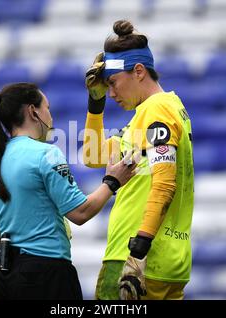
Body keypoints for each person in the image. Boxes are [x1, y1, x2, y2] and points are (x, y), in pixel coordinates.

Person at [0, 82, 137, 300]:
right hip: (46, 275)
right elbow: (80, 213)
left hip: (5, 277)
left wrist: (20, 245)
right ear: (33, 111)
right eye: (47, 108)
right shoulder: (46, 154)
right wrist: (112, 182)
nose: (50, 117)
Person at [82, 20, 195, 300]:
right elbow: (93, 155)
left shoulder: (156, 111)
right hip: (169, 262)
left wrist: (137, 253)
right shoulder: (164, 110)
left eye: (113, 83)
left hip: (135, 260)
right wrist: (95, 104)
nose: (112, 93)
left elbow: (164, 184)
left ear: (139, 71)